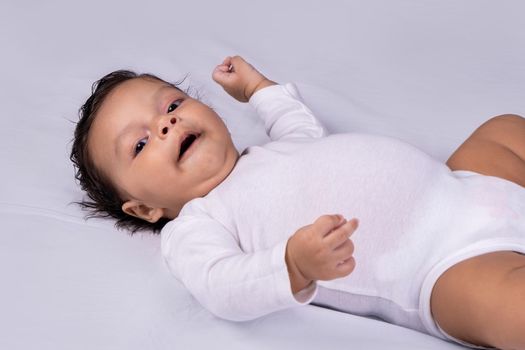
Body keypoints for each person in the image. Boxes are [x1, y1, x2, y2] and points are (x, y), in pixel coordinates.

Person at [70, 55, 525, 349]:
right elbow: (219, 285)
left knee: (504, 128)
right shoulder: (199, 224)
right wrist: (292, 264)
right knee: (513, 310)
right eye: (140, 144)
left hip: (464, 185)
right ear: (145, 209)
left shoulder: (278, 150)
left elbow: (298, 125)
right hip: (443, 268)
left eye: (171, 106)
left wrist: (258, 89)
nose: (166, 125)